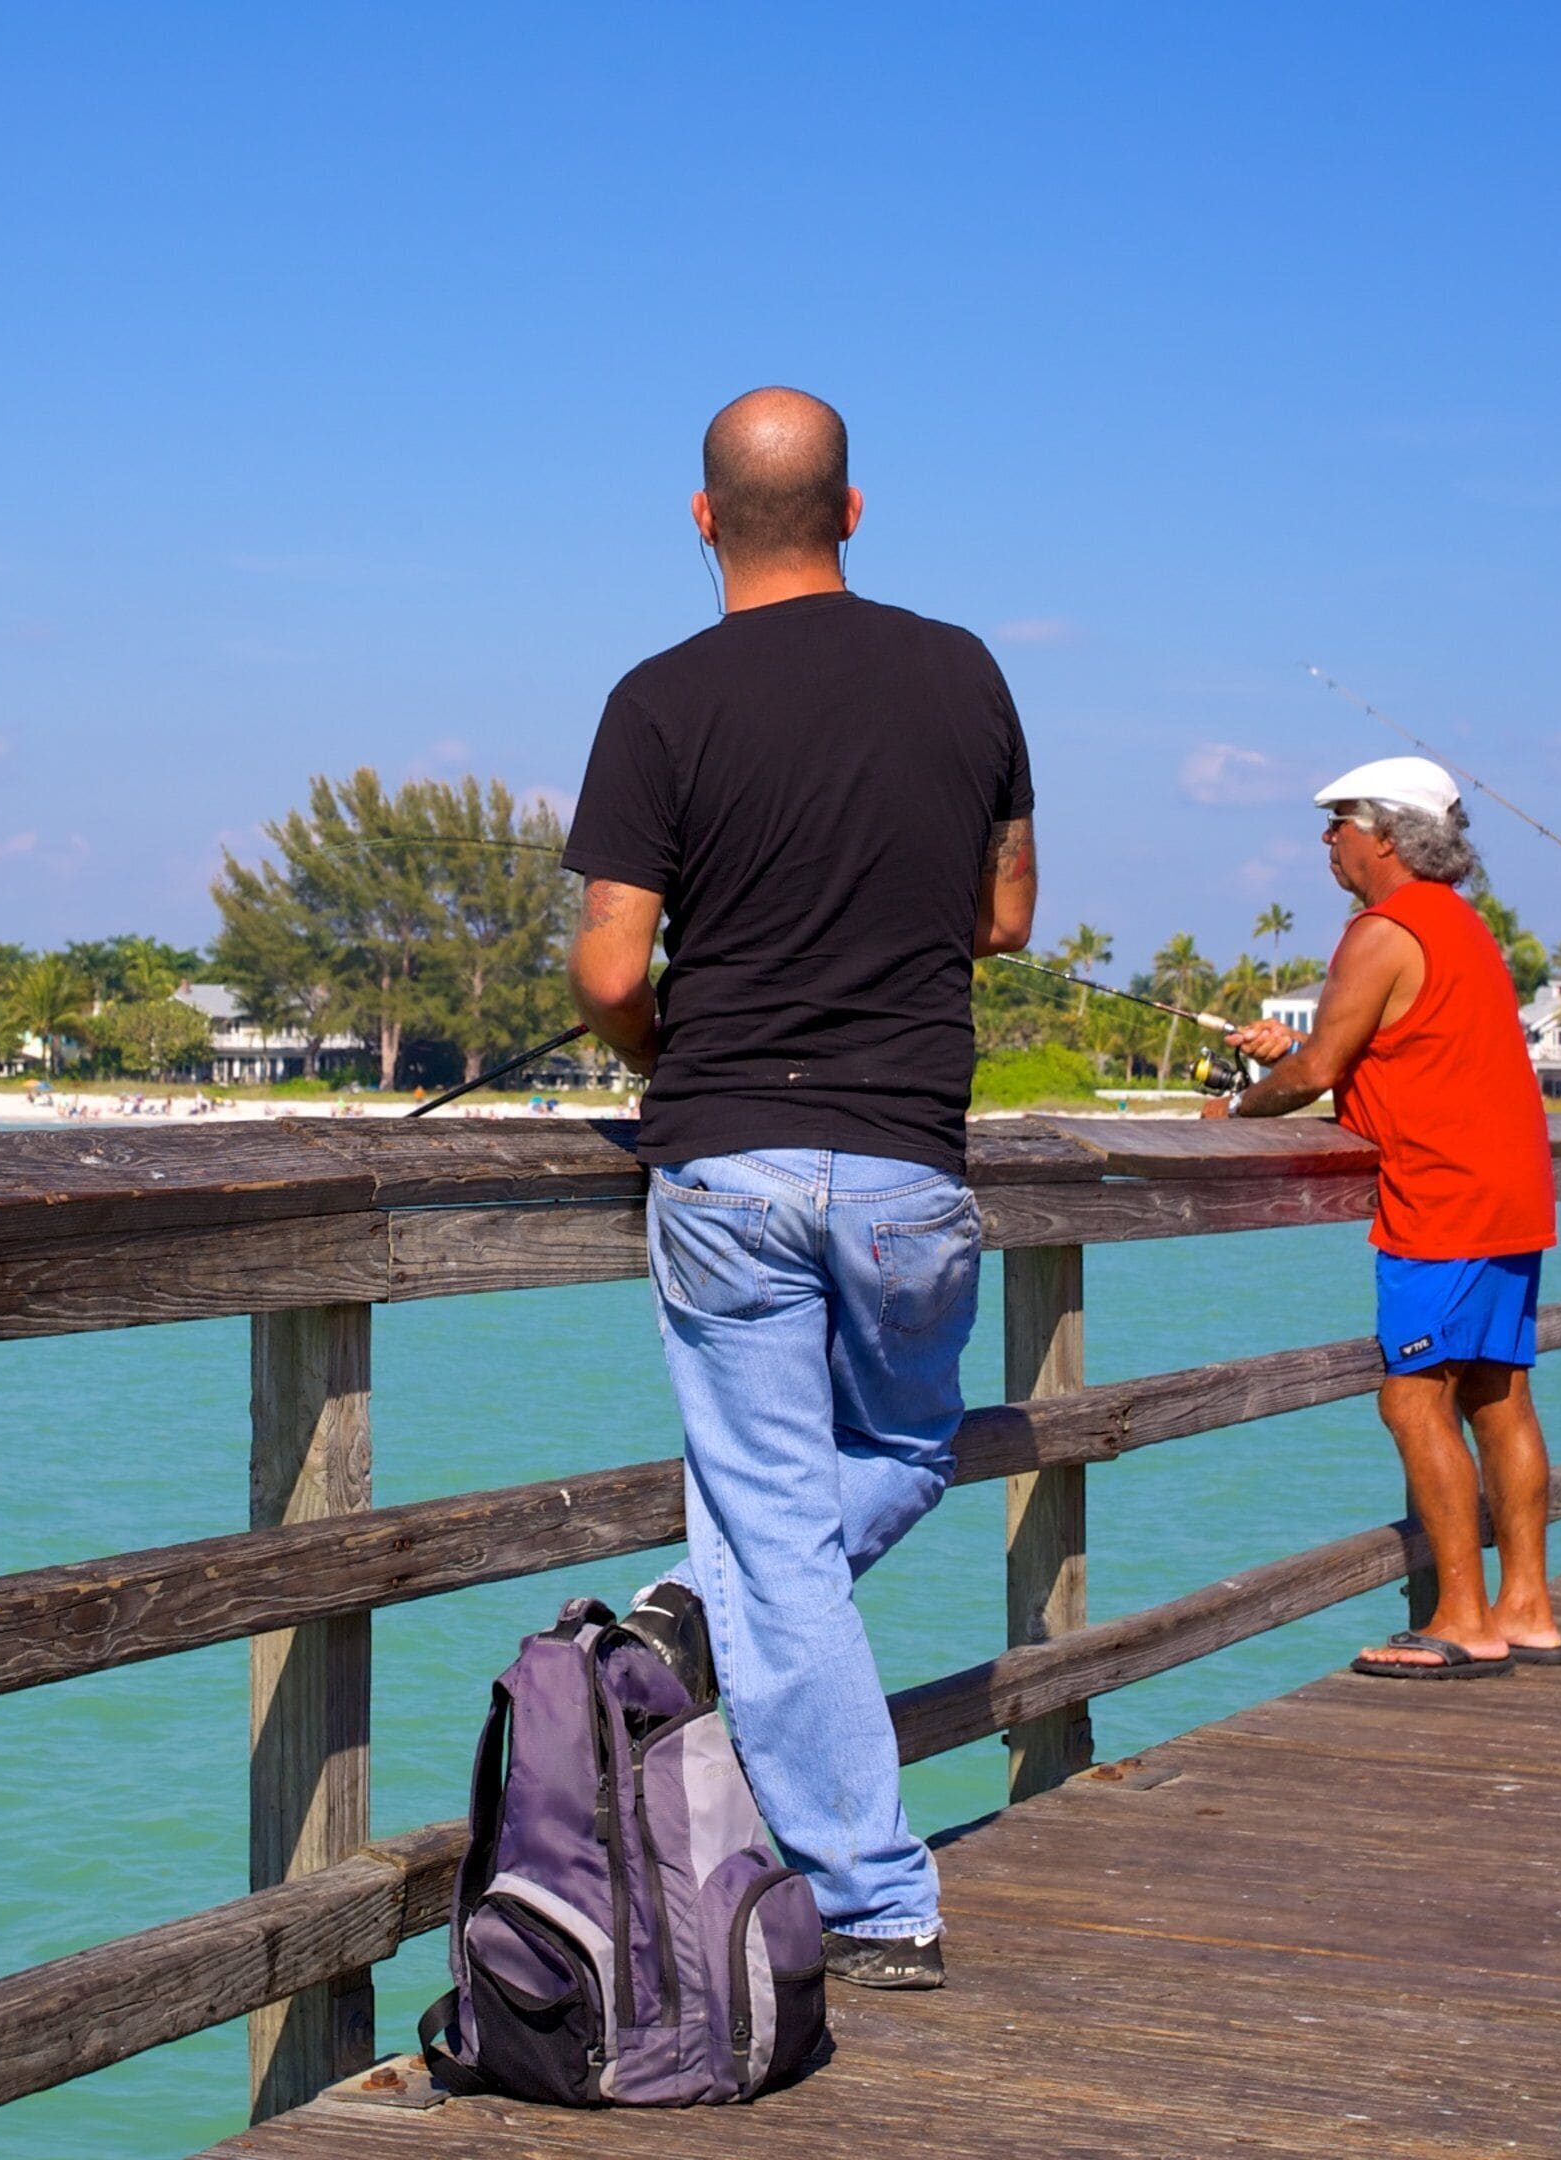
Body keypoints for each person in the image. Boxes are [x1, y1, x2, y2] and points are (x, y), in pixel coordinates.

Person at [564, 386, 1038, 1992]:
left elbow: (610, 965)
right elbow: (1008, 913)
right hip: (909, 1157)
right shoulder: (963, 670)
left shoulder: (656, 700)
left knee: (768, 1535)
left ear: (701, 518)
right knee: (906, 1445)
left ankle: (868, 1884)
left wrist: (672, 1032)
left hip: (724, 1161)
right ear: (853, 509)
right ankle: (737, 1628)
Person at [1207, 756, 1561, 1679]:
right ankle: (1526, 1606)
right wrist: (1298, 1051)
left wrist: (1237, 1112)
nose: (1327, 840)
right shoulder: (1462, 926)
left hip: (1440, 1198)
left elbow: (1319, 1071)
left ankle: (1462, 1617)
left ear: (1389, 836)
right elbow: (1394, 1051)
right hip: (1509, 1189)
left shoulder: (1384, 926)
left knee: (1411, 1399)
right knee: (1500, 1392)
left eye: (1340, 823)